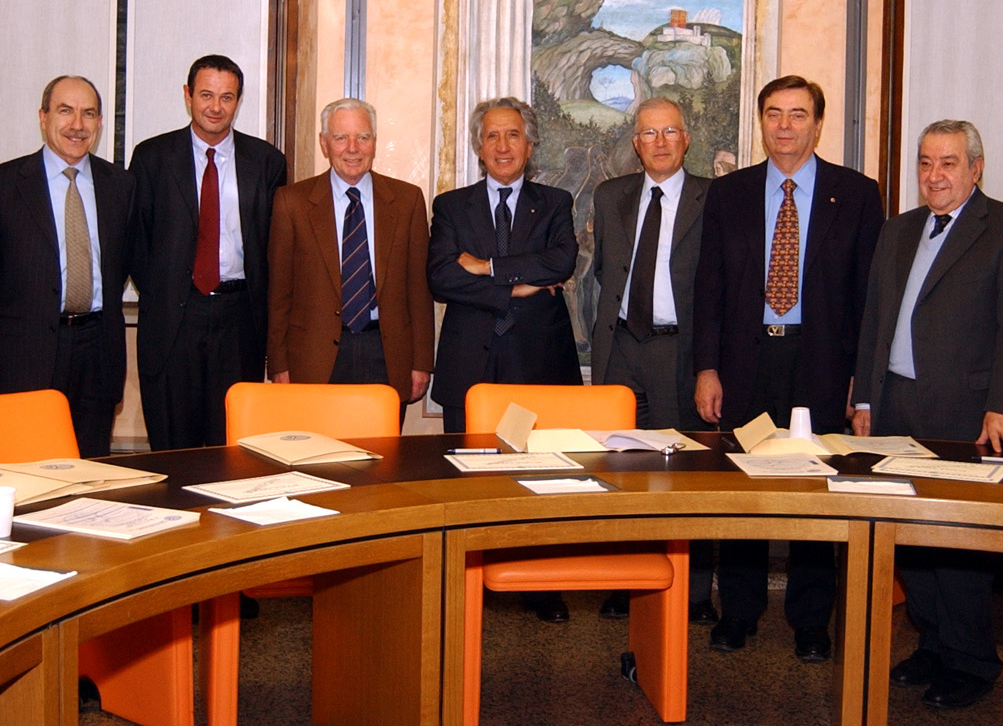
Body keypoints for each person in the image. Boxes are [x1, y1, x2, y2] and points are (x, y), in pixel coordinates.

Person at [855, 119, 1003, 709]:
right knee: (910, 539)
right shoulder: (897, 229)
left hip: (966, 412)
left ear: (975, 168)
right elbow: (874, 319)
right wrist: (864, 398)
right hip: (895, 406)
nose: (934, 175)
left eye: (948, 163)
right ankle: (933, 644)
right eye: (925, 162)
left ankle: (972, 661)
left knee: (958, 542)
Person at [693, 74, 883, 659]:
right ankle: (739, 610)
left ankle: (811, 620)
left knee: (815, 490)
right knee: (743, 488)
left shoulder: (857, 194)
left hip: (820, 362)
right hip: (746, 362)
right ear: (761, 122)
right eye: (774, 113)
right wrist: (706, 368)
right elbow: (709, 288)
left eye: (798, 114)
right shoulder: (730, 193)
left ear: (818, 125)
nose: (784, 126)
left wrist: (861, 380)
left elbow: (869, 298)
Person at [428, 97, 582, 622]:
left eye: (513, 135)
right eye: (492, 136)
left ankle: (541, 586)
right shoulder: (451, 206)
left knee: (538, 477)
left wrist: (487, 267)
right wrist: (515, 286)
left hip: (538, 362)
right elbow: (441, 277)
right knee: (466, 477)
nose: (502, 146)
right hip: (469, 361)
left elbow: (561, 261)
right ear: (478, 147)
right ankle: (465, 582)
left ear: (530, 145)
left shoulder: (555, 202)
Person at [590, 97, 716, 623]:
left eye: (669, 132)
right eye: (648, 133)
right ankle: (626, 582)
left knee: (686, 472)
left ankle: (694, 593)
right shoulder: (610, 196)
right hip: (620, 348)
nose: (660, 142)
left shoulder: (713, 198)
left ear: (686, 139)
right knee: (621, 471)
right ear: (635, 144)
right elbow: (604, 270)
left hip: (678, 351)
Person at [130, 54, 288, 450]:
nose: (215, 107)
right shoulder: (152, 158)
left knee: (233, 445)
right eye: (206, 95)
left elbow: (274, 247)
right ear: (188, 96)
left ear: (238, 101)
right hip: (173, 320)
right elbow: (136, 242)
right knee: (173, 446)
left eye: (227, 97)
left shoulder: (267, 162)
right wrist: (167, 291)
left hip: (239, 319)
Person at [0, 76, 134, 458]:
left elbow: (126, 262)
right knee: (24, 467)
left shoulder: (121, 186)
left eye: (88, 114)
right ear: (43, 117)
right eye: (65, 111)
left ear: (100, 123)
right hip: (24, 354)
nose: (77, 125)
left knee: (91, 467)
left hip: (98, 350)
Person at [267, 98, 435, 416]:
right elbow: (279, 293)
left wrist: (421, 362)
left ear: (375, 142)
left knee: (383, 448)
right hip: (313, 359)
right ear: (324, 143)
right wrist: (278, 364)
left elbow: (419, 290)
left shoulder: (407, 201)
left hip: (386, 354)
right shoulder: (292, 203)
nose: (353, 148)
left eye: (363, 137)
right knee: (319, 448)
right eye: (341, 138)